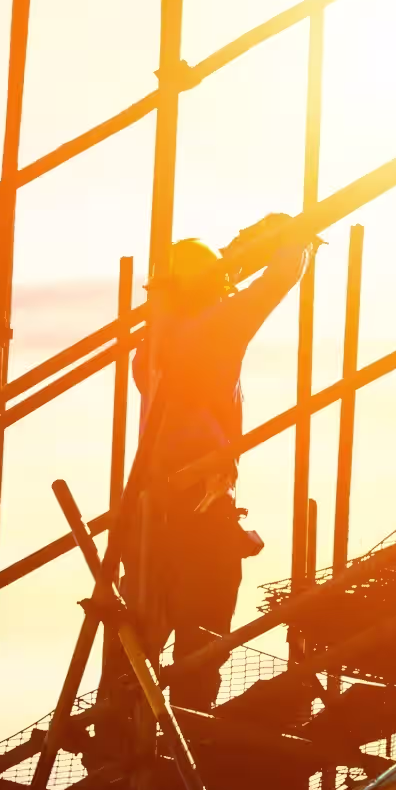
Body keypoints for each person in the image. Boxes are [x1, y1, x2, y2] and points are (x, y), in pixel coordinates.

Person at [122, 214, 312, 711]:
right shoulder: (216, 328)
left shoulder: (152, 344)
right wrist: (293, 238)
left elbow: (223, 291)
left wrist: (236, 253)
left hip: (145, 506)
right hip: (198, 503)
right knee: (200, 635)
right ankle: (187, 726)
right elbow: (276, 280)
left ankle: (121, 734)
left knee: (136, 636)